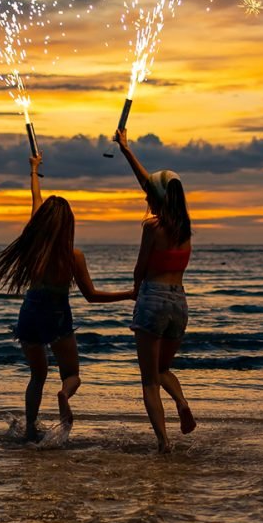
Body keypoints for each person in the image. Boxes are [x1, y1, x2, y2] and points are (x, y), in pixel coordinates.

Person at [0, 153, 134, 443]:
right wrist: (128, 294)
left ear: (42, 222)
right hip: (57, 316)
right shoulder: (72, 256)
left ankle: (29, 430)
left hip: (29, 313)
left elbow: (35, 201)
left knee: (37, 376)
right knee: (72, 373)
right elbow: (91, 296)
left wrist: (33, 170)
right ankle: (64, 394)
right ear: (68, 223)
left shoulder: (32, 248)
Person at [113, 127, 197, 453]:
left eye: (151, 193)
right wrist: (125, 149)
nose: (146, 195)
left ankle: (163, 443)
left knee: (149, 379)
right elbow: (150, 184)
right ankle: (181, 401)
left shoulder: (152, 228)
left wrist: (135, 290)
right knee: (163, 370)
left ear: (159, 197)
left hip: (153, 298)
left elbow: (140, 267)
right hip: (180, 303)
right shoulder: (186, 231)